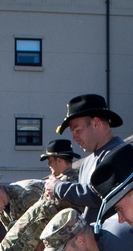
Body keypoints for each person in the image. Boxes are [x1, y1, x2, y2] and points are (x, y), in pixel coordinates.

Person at [44, 94, 125, 223]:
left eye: (77, 130)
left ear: (96, 123)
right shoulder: (87, 163)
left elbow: (99, 195)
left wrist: (58, 187)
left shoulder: (121, 153)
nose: (74, 138)